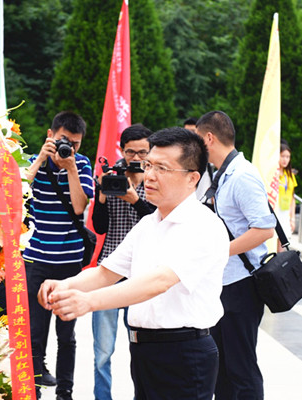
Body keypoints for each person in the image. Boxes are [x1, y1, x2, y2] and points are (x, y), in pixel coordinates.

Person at [38, 128, 230, 400]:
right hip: (143, 350)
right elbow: (106, 273)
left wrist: (89, 302)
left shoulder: (204, 226)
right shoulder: (148, 224)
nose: (149, 175)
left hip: (184, 353)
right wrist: (64, 285)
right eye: (149, 165)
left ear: (192, 178)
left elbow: (159, 282)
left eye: (162, 168)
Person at [195, 110, 275, 400]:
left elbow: (264, 230)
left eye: (197, 141)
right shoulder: (224, 174)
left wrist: (218, 252)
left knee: (241, 369)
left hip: (242, 285)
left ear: (209, 138)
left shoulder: (242, 176)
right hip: (225, 283)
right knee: (221, 370)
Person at [23, 111, 94, 400]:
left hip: (69, 261)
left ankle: (65, 391)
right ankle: (34, 390)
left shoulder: (82, 164)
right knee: (34, 332)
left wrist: (71, 168)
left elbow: (79, 207)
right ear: (50, 135)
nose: (70, 148)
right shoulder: (33, 162)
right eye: (65, 141)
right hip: (37, 258)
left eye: (75, 144)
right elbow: (17, 193)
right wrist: (41, 158)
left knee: (67, 335)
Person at [90, 124, 155, 400]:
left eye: (142, 152)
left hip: (142, 273)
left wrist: (134, 199)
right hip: (110, 271)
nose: (136, 157)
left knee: (142, 349)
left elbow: (159, 224)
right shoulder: (111, 177)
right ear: (122, 150)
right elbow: (99, 227)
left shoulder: (156, 179)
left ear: (150, 150)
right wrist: (102, 196)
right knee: (103, 351)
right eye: (130, 152)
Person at [184, 117, 214, 204]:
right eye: (187, 132)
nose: (190, 135)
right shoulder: (180, 157)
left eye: (193, 132)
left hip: (206, 202)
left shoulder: (208, 155)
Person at [276, 142, 297, 250]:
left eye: (288, 157)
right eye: (283, 156)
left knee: (281, 246)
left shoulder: (290, 175)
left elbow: (292, 199)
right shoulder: (273, 174)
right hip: (274, 211)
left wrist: (292, 219)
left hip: (284, 213)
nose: (285, 159)